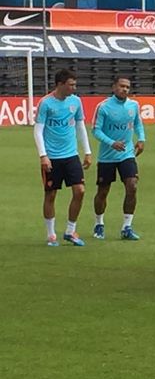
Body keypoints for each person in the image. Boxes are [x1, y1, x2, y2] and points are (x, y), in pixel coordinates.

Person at [35, 68, 92, 246]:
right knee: (51, 195)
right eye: (71, 85)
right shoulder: (46, 103)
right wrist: (43, 156)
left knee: (80, 191)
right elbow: (38, 130)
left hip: (71, 155)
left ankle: (70, 230)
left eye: (75, 84)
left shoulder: (75, 102)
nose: (74, 88)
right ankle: (51, 234)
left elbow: (80, 127)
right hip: (51, 157)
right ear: (60, 84)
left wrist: (87, 151)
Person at [91, 76, 145, 241]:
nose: (125, 89)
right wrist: (111, 142)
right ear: (114, 87)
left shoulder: (133, 105)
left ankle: (127, 227)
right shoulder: (104, 107)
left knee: (132, 186)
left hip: (127, 154)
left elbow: (137, 123)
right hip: (107, 156)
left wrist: (141, 139)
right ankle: (99, 223)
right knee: (103, 191)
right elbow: (96, 130)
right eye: (122, 86)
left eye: (127, 87)